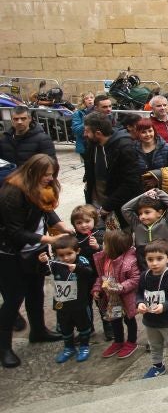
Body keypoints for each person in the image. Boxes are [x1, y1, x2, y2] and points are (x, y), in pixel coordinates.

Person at [0, 154, 72, 368]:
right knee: (13, 299)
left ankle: (38, 330)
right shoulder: (12, 193)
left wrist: (61, 226)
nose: (50, 179)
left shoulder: (39, 189)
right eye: (46, 175)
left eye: (52, 175)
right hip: (12, 254)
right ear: (33, 173)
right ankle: (4, 347)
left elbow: (47, 212)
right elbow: (14, 231)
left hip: (35, 251)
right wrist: (49, 238)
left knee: (35, 291)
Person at [39, 235, 95, 363]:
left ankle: (84, 346)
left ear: (77, 251)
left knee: (84, 326)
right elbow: (45, 272)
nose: (66, 258)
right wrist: (43, 262)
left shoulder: (82, 261)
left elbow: (90, 273)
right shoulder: (56, 264)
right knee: (65, 327)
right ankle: (68, 347)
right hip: (62, 304)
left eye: (69, 254)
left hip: (80, 303)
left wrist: (78, 269)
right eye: (61, 255)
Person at [82, 112, 143, 228]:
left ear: (98, 133)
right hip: (97, 202)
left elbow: (131, 182)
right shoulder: (91, 145)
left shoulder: (125, 148)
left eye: (87, 131)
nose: (85, 134)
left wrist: (108, 206)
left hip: (119, 207)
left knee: (120, 241)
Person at [137, 239, 168, 378]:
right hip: (150, 320)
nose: (154, 263)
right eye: (150, 259)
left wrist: (165, 306)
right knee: (154, 344)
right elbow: (140, 293)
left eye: (159, 259)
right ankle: (158, 365)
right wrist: (139, 303)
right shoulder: (144, 276)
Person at [91, 228, 141, 360]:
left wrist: (120, 287)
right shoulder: (104, 258)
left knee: (129, 320)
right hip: (111, 298)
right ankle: (118, 341)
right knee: (115, 319)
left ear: (114, 247)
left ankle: (131, 342)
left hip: (125, 297)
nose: (103, 245)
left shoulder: (129, 261)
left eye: (105, 243)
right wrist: (97, 288)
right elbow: (101, 276)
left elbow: (135, 279)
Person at [71, 92, 94, 165]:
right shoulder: (78, 113)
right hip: (84, 145)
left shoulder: (98, 111)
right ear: (83, 101)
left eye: (92, 97)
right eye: (87, 98)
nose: (90, 100)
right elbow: (76, 130)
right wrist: (87, 121)